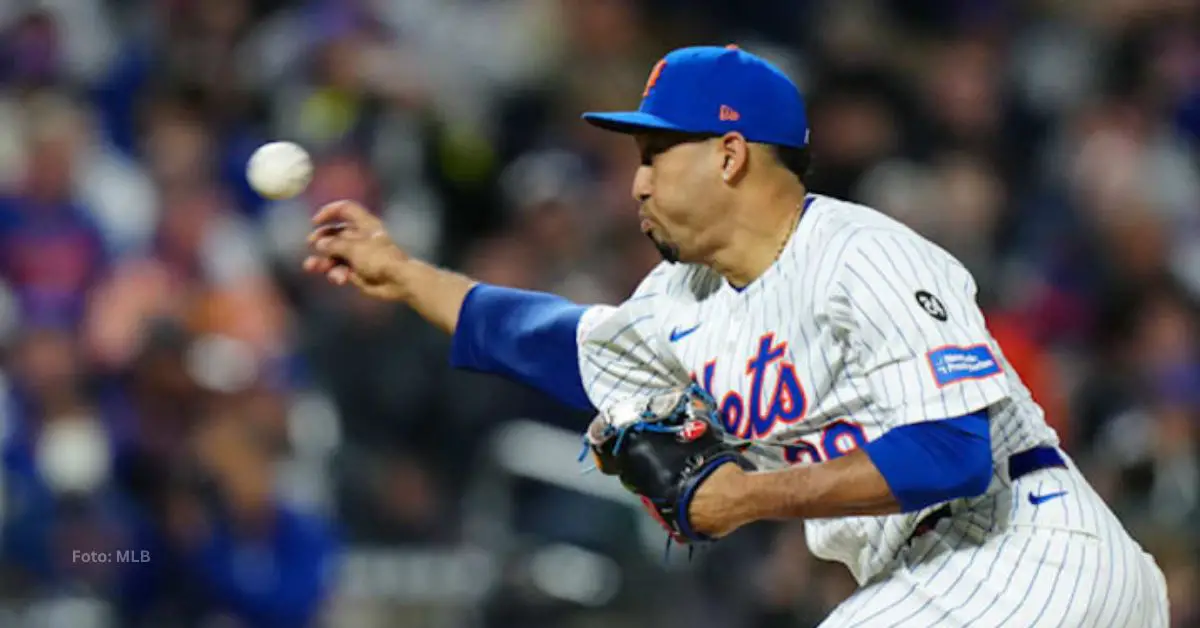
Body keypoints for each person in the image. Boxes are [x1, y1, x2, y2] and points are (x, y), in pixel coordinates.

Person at [304, 45, 1169, 625]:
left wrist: (741, 498)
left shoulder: (860, 253)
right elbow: (555, 342)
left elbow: (952, 454)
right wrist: (409, 276)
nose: (635, 183)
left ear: (728, 154)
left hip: (1028, 549)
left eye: (653, 155)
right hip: (940, 580)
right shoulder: (682, 300)